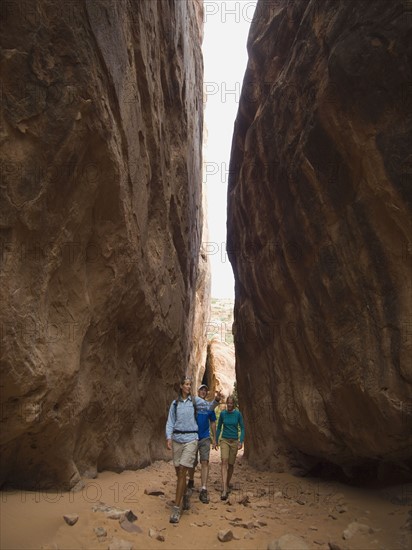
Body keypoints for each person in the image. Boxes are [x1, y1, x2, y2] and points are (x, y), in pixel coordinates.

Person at [166, 377, 221, 524]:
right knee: (179, 472)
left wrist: (216, 400)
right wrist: (168, 437)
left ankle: (176, 509)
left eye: (190, 384)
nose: (189, 386)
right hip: (177, 439)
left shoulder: (195, 401)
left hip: (191, 438)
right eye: (186, 384)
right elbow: (170, 421)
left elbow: (209, 407)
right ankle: (184, 495)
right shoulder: (175, 403)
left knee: (183, 469)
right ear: (181, 386)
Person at [187, 383, 217, 504]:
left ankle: (204, 488)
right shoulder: (194, 404)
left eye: (205, 390)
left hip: (204, 437)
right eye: (201, 390)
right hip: (193, 436)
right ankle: (191, 480)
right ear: (198, 392)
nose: (203, 391)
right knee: (192, 462)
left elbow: (213, 422)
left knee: (205, 461)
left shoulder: (209, 407)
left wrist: (215, 438)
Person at [216, 395, 245, 501]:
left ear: (234, 404)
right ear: (226, 403)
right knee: (224, 461)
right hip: (224, 440)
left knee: (231, 464)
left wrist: (241, 441)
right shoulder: (223, 414)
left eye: (231, 403)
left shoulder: (238, 414)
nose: (229, 405)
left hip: (234, 442)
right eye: (228, 403)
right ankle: (224, 489)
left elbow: (242, 428)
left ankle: (227, 483)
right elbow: (219, 427)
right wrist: (215, 440)